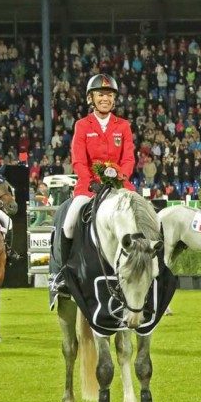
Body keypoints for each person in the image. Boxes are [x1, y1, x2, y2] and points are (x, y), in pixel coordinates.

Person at [62, 73, 137, 261]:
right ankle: (62, 274)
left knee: (146, 214)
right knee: (69, 224)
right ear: (91, 98)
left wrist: (120, 178)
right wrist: (89, 183)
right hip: (89, 188)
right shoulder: (82, 125)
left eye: (109, 95)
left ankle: (151, 269)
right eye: (101, 95)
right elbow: (78, 161)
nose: (105, 99)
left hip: (120, 186)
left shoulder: (124, 126)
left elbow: (128, 159)